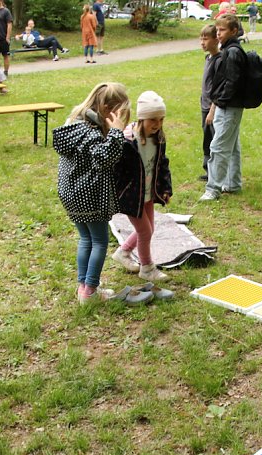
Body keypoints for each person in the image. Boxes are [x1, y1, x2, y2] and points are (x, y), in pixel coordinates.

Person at [53, 82, 130, 303]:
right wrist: (116, 132)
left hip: (71, 193)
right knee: (99, 241)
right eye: (119, 114)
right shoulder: (91, 132)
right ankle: (91, 291)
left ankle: (83, 287)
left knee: (86, 238)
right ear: (107, 109)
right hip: (89, 195)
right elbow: (104, 158)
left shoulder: (74, 123)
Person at [111, 91, 172, 282]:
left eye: (161, 119)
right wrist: (120, 191)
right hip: (131, 195)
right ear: (141, 117)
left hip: (148, 194)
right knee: (145, 231)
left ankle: (123, 252)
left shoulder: (158, 139)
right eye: (153, 119)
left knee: (148, 229)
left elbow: (162, 164)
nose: (157, 124)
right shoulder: (128, 140)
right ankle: (147, 268)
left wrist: (165, 188)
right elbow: (117, 168)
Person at [200, 13, 246, 201]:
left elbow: (231, 83)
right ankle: (233, 183)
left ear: (234, 31)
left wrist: (218, 103)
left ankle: (213, 189)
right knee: (233, 146)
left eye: (222, 30)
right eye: (217, 30)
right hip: (229, 106)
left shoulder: (233, 52)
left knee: (218, 147)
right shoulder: (228, 50)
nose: (218, 34)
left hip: (228, 106)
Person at [199, 24, 220, 181]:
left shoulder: (219, 60)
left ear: (216, 39)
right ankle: (208, 170)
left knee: (214, 140)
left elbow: (218, 88)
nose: (202, 42)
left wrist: (212, 110)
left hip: (212, 108)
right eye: (201, 38)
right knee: (207, 140)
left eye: (205, 39)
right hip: (204, 106)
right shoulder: (208, 58)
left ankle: (215, 173)